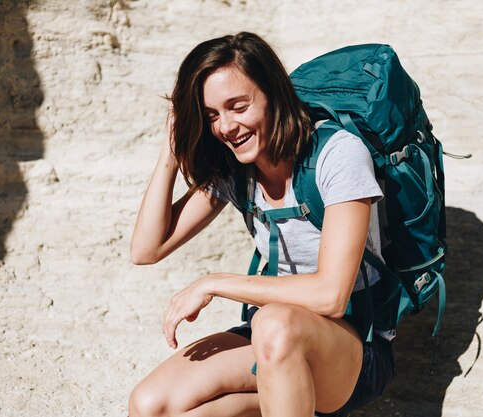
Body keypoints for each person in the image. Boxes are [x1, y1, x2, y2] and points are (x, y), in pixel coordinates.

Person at [128, 32, 395, 417]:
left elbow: (330, 297)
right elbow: (146, 249)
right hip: (274, 341)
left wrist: (213, 282)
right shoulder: (236, 171)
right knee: (151, 406)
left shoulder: (336, 155)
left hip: (352, 345)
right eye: (212, 115)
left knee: (273, 322)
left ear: (272, 92)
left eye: (238, 106)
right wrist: (171, 152)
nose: (226, 127)